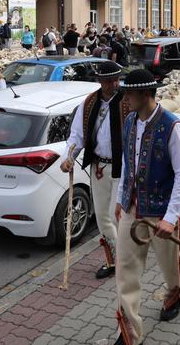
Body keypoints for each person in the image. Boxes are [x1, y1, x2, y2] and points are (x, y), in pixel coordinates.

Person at [113, 69, 180, 345]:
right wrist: (121, 200)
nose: (126, 98)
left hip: (162, 211)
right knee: (125, 269)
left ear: (146, 94)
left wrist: (170, 218)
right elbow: (126, 164)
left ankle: (174, 292)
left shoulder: (172, 126)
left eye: (130, 93)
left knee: (169, 264)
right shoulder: (130, 121)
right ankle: (130, 332)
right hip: (133, 209)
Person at [61, 61, 130, 279]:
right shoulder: (89, 104)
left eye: (116, 79)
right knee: (101, 218)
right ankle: (114, 261)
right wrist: (68, 158)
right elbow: (76, 136)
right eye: (109, 80)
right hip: (98, 167)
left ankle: (125, 261)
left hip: (122, 168)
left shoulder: (127, 101)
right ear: (100, 81)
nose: (114, 84)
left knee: (115, 216)